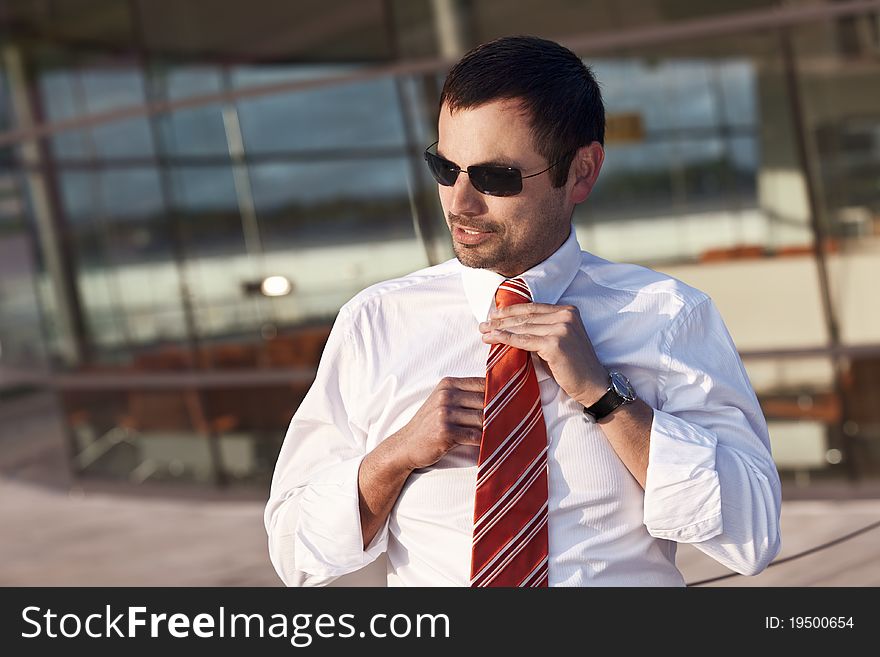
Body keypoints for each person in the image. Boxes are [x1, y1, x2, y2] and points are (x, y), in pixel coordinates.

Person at [264, 35, 782, 587]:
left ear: (582, 171)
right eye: (446, 168)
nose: (460, 203)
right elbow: (294, 551)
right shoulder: (375, 323)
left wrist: (606, 398)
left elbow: (751, 537)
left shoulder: (669, 316)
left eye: (495, 177)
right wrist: (393, 457)